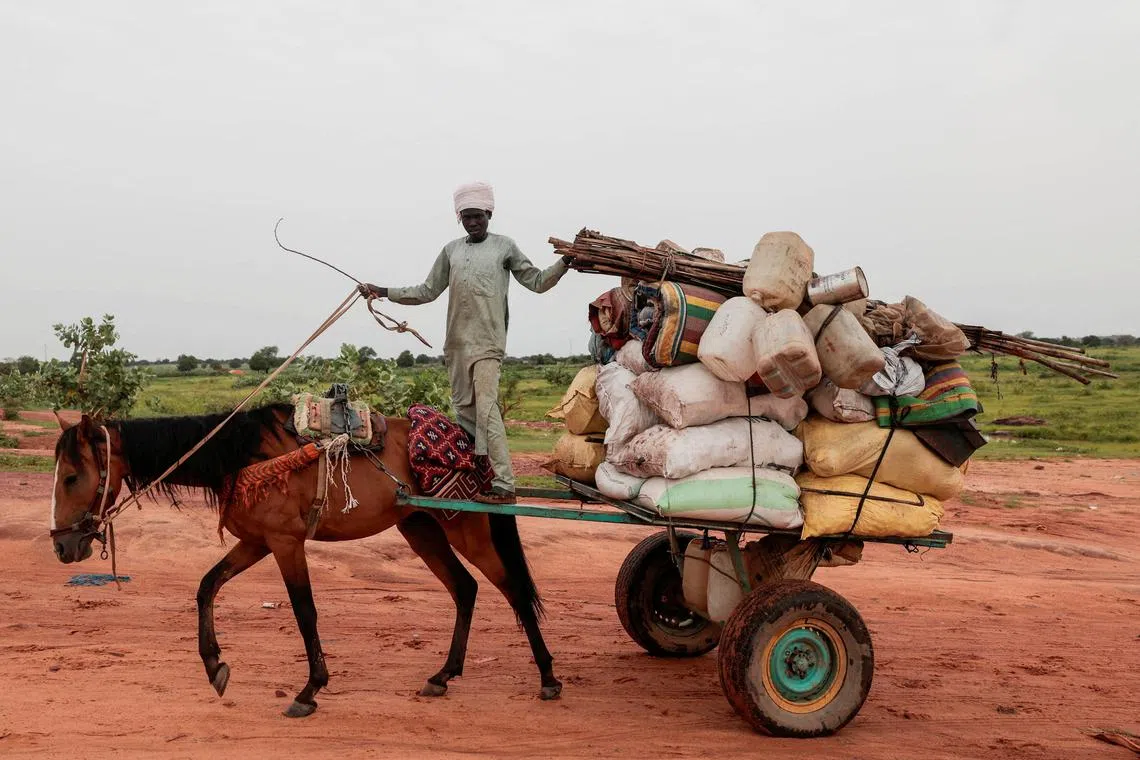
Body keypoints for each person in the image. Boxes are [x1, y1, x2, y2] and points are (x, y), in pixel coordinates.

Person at [359, 182, 571, 505]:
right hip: (456, 345)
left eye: (478, 216)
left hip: (488, 345)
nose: (473, 223)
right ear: (460, 218)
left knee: (486, 411)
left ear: (489, 213)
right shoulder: (451, 251)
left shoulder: (505, 248)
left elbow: (538, 281)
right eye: (466, 217)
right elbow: (426, 290)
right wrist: (384, 292)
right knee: (464, 411)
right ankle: (480, 472)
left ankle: (504, 483)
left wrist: (565, 263)